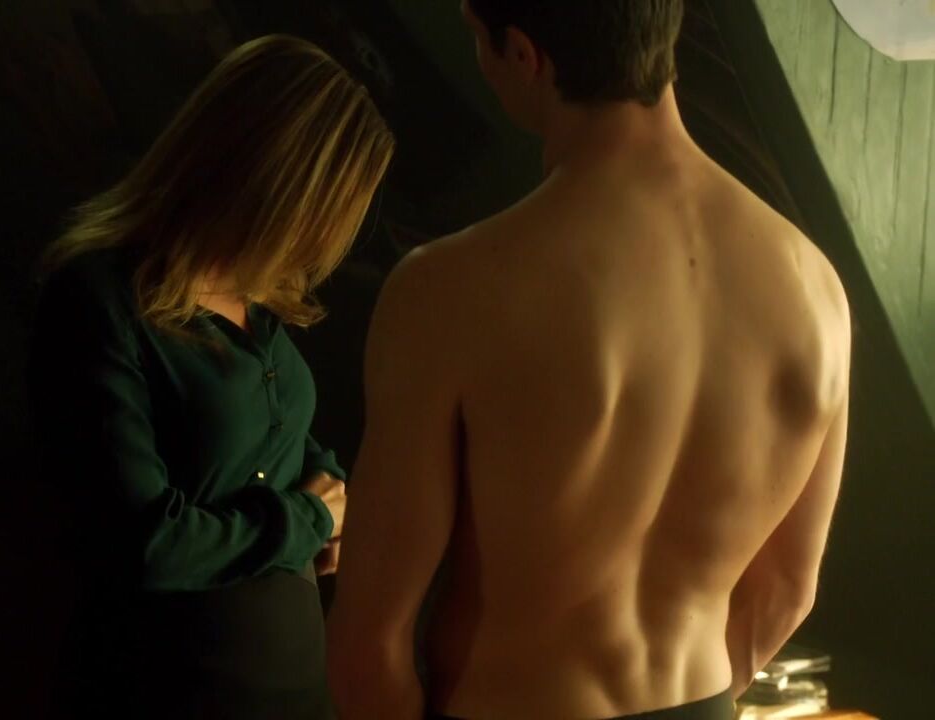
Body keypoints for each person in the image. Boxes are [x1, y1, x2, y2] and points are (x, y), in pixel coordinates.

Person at [326, 2, 851, 719]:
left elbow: (368, 645)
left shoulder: (451, 289)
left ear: (524, 56)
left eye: (478, 39)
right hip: (697, 701)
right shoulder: (815, 287)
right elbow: (788, 588)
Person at [27, 34, 394, 719]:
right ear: (270, 177)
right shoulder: (100, 299)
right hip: (168, 692)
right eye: (328, 205)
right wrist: (307, 519)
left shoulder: (260, 301)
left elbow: (268, 441)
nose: (328, 236)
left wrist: (326, 481)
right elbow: (144, 543)